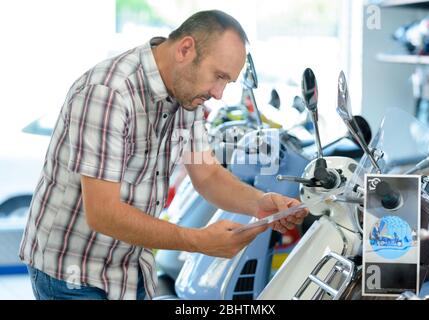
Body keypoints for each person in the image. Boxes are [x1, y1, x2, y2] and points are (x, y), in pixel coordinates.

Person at [19, 9, 308, 300]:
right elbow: (103, 213)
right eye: (218, 76)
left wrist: (259, 203)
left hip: (130, 267)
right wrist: (199, 242)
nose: (219, 93)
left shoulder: (188, 97)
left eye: (227, 82)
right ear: (185, 49)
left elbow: (206, 174)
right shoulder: (108, 93)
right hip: (72, 273)